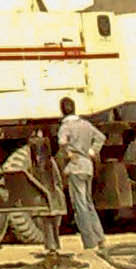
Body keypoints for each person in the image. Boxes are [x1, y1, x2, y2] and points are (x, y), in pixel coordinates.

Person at [54, 95, 109, 256]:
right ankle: (100, 239)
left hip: (76, 167)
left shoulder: (66, 127)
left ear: (62, 110)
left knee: (80, 206)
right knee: (88, 203)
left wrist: (68, 154)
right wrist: (92, 151)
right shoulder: (85, 124)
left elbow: (62, 142)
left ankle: (89, 242)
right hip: (88, 166)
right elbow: (101, 137)